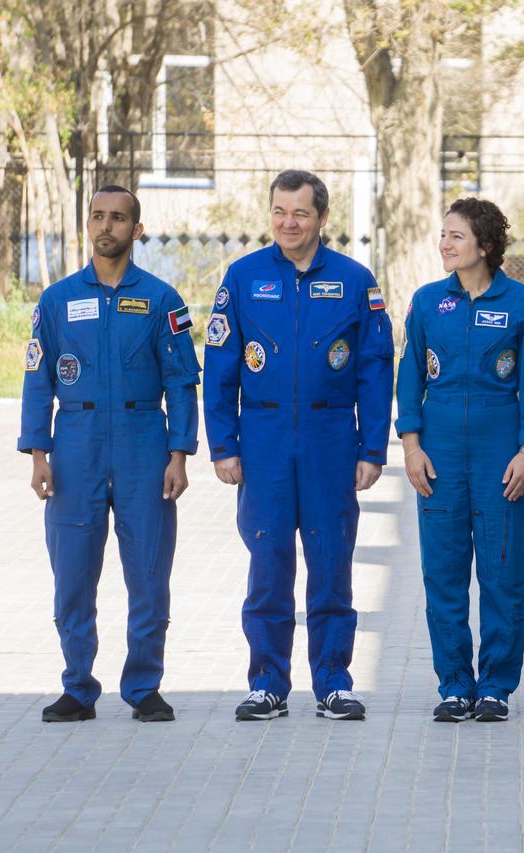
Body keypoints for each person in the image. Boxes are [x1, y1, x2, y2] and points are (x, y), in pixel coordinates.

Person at [203, 169, 394, 722]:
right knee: (268, 561)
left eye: (301, 213)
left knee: (331, 561)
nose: (289, 223)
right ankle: (267, 682)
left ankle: (333, 681)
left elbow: (375, 371)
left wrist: (371, 449)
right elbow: (220, 367)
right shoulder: (242, 278)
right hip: (262, 440)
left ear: (322, 218)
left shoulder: (356, 282)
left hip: (330, 438)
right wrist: (223, 444)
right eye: (279, 212)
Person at [19, 186, 200, 723]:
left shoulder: (164, 300)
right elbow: (37, 379)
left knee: (148, 570)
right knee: (72, 573)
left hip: (144, 441)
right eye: (98, 216)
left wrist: (179, 453)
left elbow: (182, 381)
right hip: (77, 443)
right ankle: (78, 686)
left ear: (136, 230)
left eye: (118, 218)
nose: (107, 226)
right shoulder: (56, 300)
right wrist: (37, 452)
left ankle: (144, 686)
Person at [395, 198, 524, 723]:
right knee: (443, 575)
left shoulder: (522, 303)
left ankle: (496, 687)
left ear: (484, 245)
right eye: (443, 235)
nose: (445, 244)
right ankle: (455, 684)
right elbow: (411, 377)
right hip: (438, 454)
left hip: (499, 452)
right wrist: (412, 447)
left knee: (503, 574)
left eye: (456, 236)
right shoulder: (427, 302)